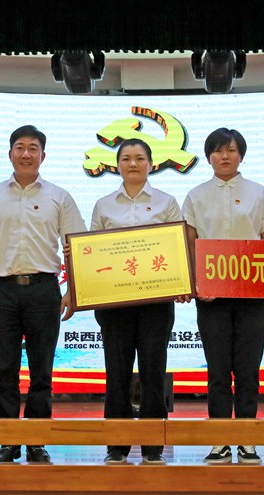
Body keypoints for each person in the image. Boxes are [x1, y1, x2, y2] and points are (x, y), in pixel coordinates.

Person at [0, 125, 86, 464]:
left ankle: (36, 439)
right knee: (4, 368)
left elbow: (75, 245)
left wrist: (72, 290)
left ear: (42, 156)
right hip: (3, 290)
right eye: (19, 147)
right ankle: (8, 439)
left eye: (33, 148)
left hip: (44, 290)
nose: (26, 154)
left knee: (41, 370)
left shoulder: (59, 197)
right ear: (10, 154)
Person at [181, 128, 264, 466]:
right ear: (208, 156)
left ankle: (248, 439)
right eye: (218, 151)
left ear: (241, 156)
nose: (224, 156)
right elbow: (190, 243)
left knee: (248, 368)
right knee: (218, 369)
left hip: (252, 294)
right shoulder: (196, 195)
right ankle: (220, 438)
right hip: (211, 297)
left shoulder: (258, 192)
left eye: (232, 150)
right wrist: (196, 282)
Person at [89, 138, 181, 465]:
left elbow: (177, 249)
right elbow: (92, 253)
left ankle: (154, 446)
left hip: (156, 303)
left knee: (153, 370)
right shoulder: (104, 205)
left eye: (140, 158)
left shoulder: (167, 203)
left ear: (151, 165)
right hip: (114, 305)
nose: (133, 163)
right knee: (117, 372)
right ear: (117, 165)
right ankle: (117, 444)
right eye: (126, 158)